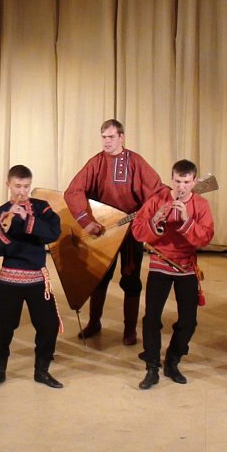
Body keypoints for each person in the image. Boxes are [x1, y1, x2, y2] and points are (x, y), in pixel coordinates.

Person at [64, 118, 164, 345]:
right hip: (104, 231)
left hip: (131, 231)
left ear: (121, 137)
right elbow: (74, 191)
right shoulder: (96, 162)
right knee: (99, 278)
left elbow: (157, 191)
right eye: (103, 137)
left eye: (111, 137)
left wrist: (165, 202)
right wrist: (86, 221)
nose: (106, 141)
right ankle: (94, 323)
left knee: (131, 280)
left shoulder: (135, 162)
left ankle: (130, 330)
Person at [130, 160, 215, 389]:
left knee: (188, 321)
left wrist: (187, 220)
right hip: (160, 263)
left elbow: (205, 237)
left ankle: (173, 360)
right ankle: (152, 367)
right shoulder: (157, 200)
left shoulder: (201, 204)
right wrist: (155, 220)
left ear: (194, 181)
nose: (181, 187)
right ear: (172, 179)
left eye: (186, 182)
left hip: (186, 266)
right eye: (177, 181)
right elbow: (137, 231)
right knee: (151, 318)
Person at [0, 165, 64, 390]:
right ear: (8, 185)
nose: (22, 191)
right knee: (0, 328)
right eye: (17, 186)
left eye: (26, 186)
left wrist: (27, 218)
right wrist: (5, 231)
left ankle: (42, 371)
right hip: (9, 278)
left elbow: (53, 233)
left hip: (37, 278)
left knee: (49, 326)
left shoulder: (41, 207)